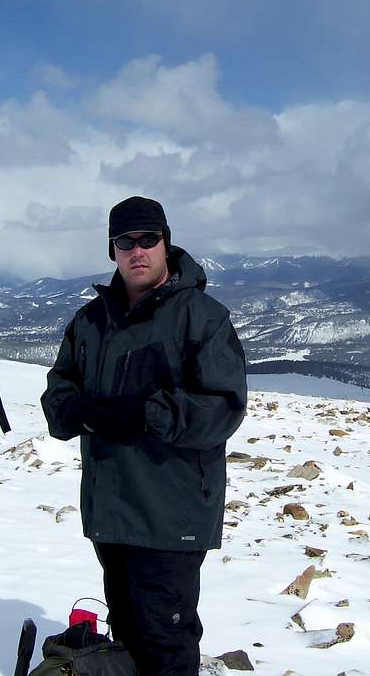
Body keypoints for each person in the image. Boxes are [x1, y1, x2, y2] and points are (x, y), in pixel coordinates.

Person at [41, 196, 247, 676]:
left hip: (170, 514)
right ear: (112, 250)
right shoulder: (90, 322)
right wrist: (82, 412)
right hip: (111, 511)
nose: (137, 251)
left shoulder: (203, 317)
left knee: (166, 643)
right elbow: (58, 396)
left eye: (147, 239)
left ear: (165, 242)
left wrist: (145, 414)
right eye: (125, 241)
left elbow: (224, 408)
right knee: (127, 636)